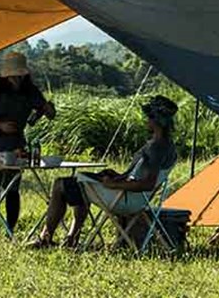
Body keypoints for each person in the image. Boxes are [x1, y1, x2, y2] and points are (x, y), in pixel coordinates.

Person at [30, 95, 178, 249]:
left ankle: (46, 237)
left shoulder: (156, 147)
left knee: (61, 184)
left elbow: (147, 184)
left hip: (124, 199)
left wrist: (114, 184)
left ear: (156, 121)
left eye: (148, 117)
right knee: (79, 183)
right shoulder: (168, 146)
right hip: (135, 199)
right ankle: (71, 237)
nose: (146, 120)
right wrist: (119, 176)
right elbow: (140, 175)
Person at [0, 51, 56, 234]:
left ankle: (10, 228)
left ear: (24, 74)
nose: (16, 79)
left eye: (19, 75)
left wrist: (49, 108)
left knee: (13, 185)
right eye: (13, 75)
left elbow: (50, 114)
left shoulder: (31, 90)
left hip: (16, 141)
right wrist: (0, 125)